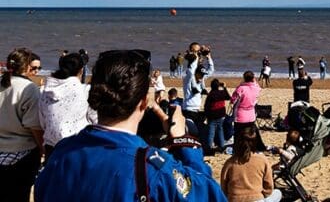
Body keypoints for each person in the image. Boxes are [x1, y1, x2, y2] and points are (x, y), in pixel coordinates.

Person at [34, 48, 228, 201]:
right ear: (144, 102)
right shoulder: (153, 168)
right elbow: (210, 195)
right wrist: (184, 142)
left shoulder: (62, 155)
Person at [0, 48, 44, 202]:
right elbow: (34, 126)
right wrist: (42, 148)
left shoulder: (3, 82)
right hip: (21, 152)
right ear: (26, 66)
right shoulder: (29, 88)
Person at [39, 51, 96, 156]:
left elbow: (43, 122)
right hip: (77, 146)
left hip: (51, 147)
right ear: (81, 70)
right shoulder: (85, 91)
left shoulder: (45, 91)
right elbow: (96, 120)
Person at [220, 125, 281, 202]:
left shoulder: (230, 162)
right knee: (278, 193)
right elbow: (269, 187)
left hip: (235, 199)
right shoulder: (262, 160)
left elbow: (223, 187)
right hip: (256, 199)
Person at [231, 71, 266, 152]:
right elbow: (256, 85)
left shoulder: (241, 88)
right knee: (251, 132)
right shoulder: (256, 88)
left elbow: (233, 100)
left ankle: (237, 148)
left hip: (241, 115)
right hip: (251, 114)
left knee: (238, 134)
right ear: (253, 78)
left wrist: (241, 84)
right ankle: (253, 147)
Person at [204, 78, 231, 155]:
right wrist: (224, 88)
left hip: (212, 116)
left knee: (211, 132)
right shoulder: (221, 93)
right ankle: (222, 146)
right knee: (220, 130)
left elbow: (206, 106)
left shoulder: (211, 94)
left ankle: (209, 147)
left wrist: (206, 115)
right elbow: (228, 97)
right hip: (221, 115)